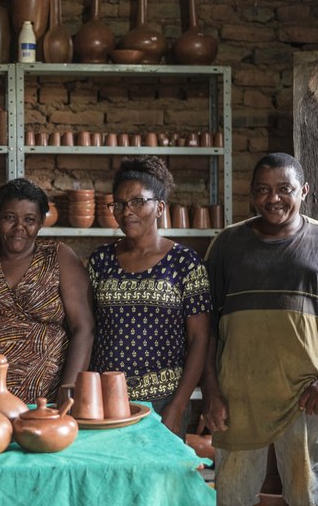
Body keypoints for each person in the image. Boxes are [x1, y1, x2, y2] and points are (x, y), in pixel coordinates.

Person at [201, 152, 318, 506]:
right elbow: (207, 328)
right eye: (262, 190)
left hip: (306, 400)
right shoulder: (227, 245)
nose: (273, 198)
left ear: (304, 190)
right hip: (238, 398)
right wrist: (210, 389)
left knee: (303, 495)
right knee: (232, 496)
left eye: (284, 189)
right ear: (252, 195)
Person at [87, 157, 211, 439]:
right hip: (106, 402)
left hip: (163, 401)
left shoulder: (186, 263)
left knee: (157, 481)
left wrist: (178, 406)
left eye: (137, 201)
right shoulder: (101, 260)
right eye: (118, 203)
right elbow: (90, 329)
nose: (126, 211)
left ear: (160, 207)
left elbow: (199, 340)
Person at [0, 178, 94, 404]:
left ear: (42, 221)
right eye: (9, 218)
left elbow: (84, 328)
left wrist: (69, 389)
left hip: (47, 398)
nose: (19, 228)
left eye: (30, 220)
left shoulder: (59, 257)